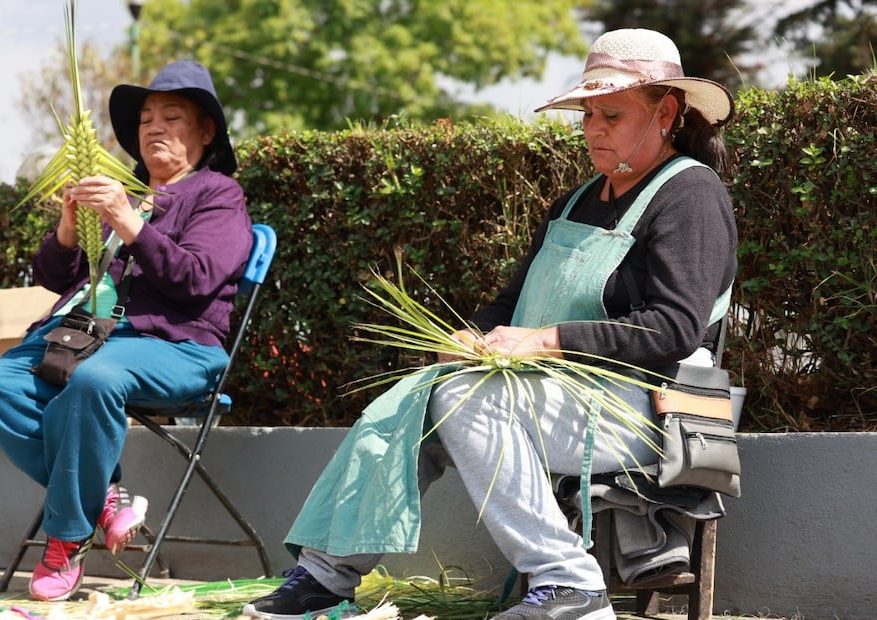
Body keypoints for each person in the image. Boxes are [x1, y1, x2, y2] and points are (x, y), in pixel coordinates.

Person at [243, 28, 737, 620]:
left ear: (667, 113)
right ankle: (327, 573)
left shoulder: (691, 194)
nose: (593, 128)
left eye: (611, 113)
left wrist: (547, 339)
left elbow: (672, 329)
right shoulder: (577, 201)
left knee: (464, 399)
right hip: (567, 395)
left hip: (653, 408)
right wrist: (475, 336)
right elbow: (510, 303)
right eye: (587, 114)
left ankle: (568, 585)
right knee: (411, 399)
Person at [0, 61, 253, 602]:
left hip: (176, 347)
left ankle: (66, 540)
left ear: (205, 131)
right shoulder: (125, 192)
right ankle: (105, 499)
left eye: (172, 116)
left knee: (96, 381)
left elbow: (196, 280)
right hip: (82, 339)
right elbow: (55, 278)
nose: (154, 128)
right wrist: (69, 230)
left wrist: (130, 223)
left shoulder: (217, 195)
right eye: (145, 119)